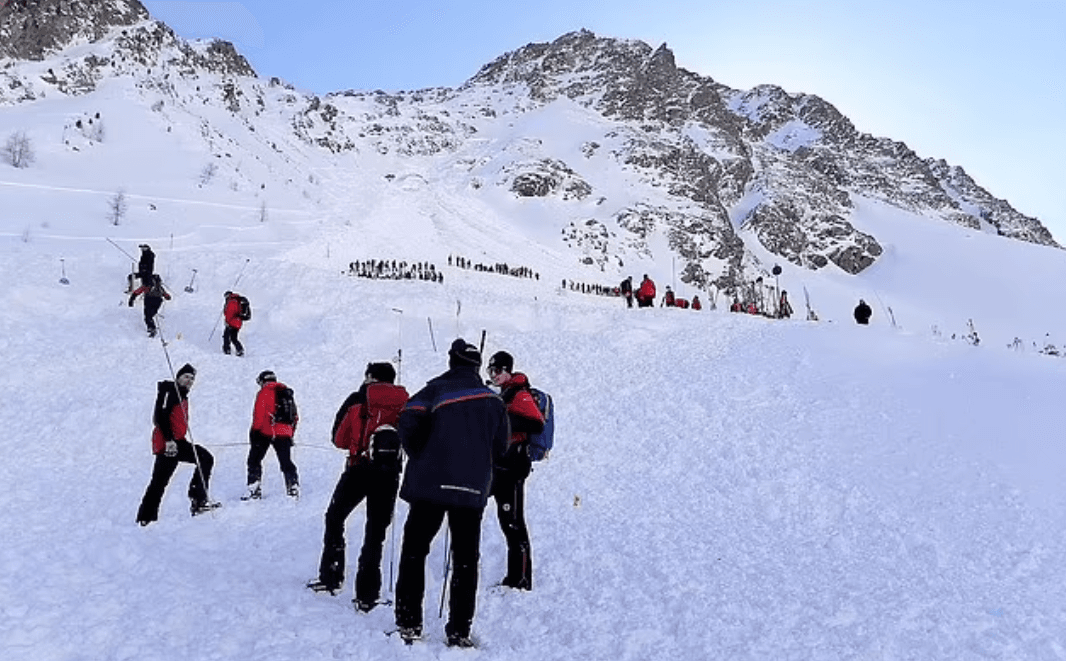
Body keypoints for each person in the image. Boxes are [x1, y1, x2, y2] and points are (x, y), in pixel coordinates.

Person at [393, 339, 509, 647]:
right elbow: (501, 448)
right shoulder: (494, 402)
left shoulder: (435, 391)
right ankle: (459, 631)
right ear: (475, 365)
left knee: (415, 551)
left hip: (429, 485)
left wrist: (420, 454)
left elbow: (407, 420)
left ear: (451, 361)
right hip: (471, 490)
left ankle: (409, 623)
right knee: (466, 560)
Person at [307, 362, 409, 610]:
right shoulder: (405, 401)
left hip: (359, 468)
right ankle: (367, 594)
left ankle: (331, 575)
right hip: (389, 475)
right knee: (376, 532)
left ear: (370, 377)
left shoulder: (358, 399)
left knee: (335, 517)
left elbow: (339, 439)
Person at [486, 350, 545, 592]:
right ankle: (516, 576)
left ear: (508, 370)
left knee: (513, 522)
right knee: (506, 519)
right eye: (490, 370)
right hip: (502, 465)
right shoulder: (506, 394)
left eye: (497, 370)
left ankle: (520, 579)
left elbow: (536, 423)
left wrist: (505, 420)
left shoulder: (519, 394)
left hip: (514, 467)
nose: (494, 375)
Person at [136, 364, 219, 525]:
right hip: (169, 444)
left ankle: (146, 518)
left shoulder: (180, 394)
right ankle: (198, 500)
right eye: (186, 376)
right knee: (204, 458)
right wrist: (169, 440)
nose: (189, 380)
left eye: (192, 379)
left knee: (159, 482)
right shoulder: (170, 391)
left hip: (176, 442)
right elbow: (160, 416)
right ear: (178, 377)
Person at [242, 370, 300, 500]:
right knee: (286, 461)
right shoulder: (287, 393)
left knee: (254, 460)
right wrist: (291, 433)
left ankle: (254, 489)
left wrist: (254, 432)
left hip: (266, 431)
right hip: (285, 432)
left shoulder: (264, 392)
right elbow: (295, 416)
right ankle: (293, 485)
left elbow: (259, 415)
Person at [223, 291, 246, 356]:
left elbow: (229, 313)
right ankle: (240, 350)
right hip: (238, 323)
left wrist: (227, 322)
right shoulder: (238, 300)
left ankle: (226, 350)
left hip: (231, 322)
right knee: (234, 338)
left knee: (226, 336)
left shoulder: (231, 301)